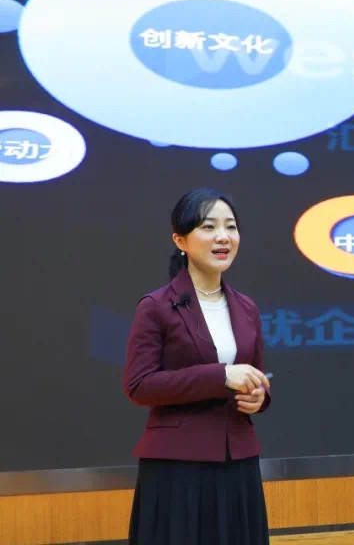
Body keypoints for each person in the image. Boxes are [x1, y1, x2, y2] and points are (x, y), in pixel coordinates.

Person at [123, 188, 272, 545]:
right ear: (180, 240)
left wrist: (259, 397)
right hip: (178, 468)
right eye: (209, 227)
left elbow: (255, 377)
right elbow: (139, 385)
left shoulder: (246, 307)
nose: (223, 237)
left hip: (238, 464)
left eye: (231, 227)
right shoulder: (157, 306)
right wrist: (221, 376)